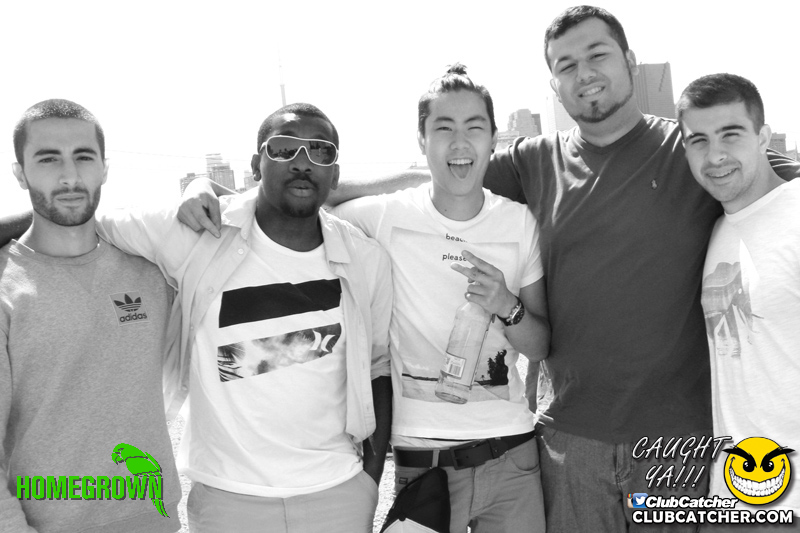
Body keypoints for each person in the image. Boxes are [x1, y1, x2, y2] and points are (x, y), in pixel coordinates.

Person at [321, 6, 800, 532]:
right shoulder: (532, 161)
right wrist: (301, 189)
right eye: (566, 65)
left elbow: (772, 185)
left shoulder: (689, 149)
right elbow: (448, 174)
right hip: (570, 441)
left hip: (677, 443)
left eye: (597, 55)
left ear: (630, 61)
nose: (584, 74)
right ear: (554, 83)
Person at [178, 65, 549, 532]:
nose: (460, 142)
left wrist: (507, 305)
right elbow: (300, 198)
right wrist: (201, 187)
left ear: (493, 139)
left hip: (511, 457)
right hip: (424, 466)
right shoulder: (382, 217)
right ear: (421, 140)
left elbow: (540, 346)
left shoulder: (519, 223)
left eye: (474, 128)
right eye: (443, 129)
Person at [93, 103, 392, 532]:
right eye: (284, 149)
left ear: (335, 175)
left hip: (337, 496)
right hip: (228, 502)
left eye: (320, 151)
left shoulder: (365, 258)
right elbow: (82, 222)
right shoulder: (198, 231)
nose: (302, 162)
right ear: (256, 165)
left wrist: (370, 482)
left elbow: (378, 368)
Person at [0, 99, 182, 532]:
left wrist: (202, 190)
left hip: (155, 522)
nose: (69, 176)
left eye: (83, 157)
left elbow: (252, 221)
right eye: (48, 159)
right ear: (20, 174)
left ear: (104, 168)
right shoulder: (6, 289)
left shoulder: (155, 273)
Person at [677, 73, 800, 522]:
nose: (715, 156)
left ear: (763, 137)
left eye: (731, 134)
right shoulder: (717, 229)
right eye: (699, 141)